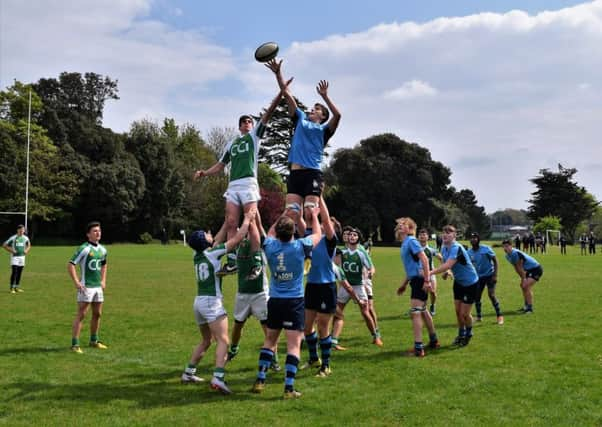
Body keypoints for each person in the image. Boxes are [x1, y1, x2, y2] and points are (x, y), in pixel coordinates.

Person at [193, 81, 290, 275]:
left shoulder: (255, 137)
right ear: (239, 126)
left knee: (252, 222)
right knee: (230, 222)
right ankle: (231, 261)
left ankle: (256, 262)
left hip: (248, 184)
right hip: (233, 186)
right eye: (244, 122)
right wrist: (204, 172)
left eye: (249, 121)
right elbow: (221, 165)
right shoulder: (231, 144)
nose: (247, 123)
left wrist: (281, 94)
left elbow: (268, 114)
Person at [180, 208, 256, 394]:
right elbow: (236, 239)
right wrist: (246, 220)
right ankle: (218, 377)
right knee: (224, 340)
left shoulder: (197, 255)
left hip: (199, 302)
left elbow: (217, 239)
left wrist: (227, 222)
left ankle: (189, 372)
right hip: (211, 302)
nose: (210, 234)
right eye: (206, 234)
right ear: (204, 241)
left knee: (207, 340)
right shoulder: (212, 254)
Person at [251, 205, 322, 399]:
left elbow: (271, 231)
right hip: (294, 302)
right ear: (293, 232)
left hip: (274, 301)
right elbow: (317, 233)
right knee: (293, 346)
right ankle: (288, 388)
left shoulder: (271, 246)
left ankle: (260, 379)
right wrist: (314, 216)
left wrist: (284, 213)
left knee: (269, 341)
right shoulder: (301, 246)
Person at [267, 59, 341, 222]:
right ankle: (300, 245)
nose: (312, 109)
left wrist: (325, 97)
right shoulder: (300, 118)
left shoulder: (324, 130)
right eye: (313, 108)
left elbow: (338, 115)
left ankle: (316, 242)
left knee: (309, 213)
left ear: (322, 117)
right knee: (292, 214)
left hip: (312, 174)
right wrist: (278, 73)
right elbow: (286, 93)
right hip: (295, 174)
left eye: (317, 109)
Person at [226, 213, 280, 371]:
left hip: (260, 294)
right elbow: (232, 230)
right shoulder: (238, 246)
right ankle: (234, 349)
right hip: (242, 293)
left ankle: (274, 359)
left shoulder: (261, 246)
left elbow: (259, 227)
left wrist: (253, 214)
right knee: (237, 325)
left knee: (268, 329)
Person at [301, 196, 338, 377]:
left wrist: (320, 197)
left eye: (327, 223)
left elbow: (325, 218)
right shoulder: (309, 237)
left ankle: (326, 366)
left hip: (326, 287)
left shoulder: (330, 240)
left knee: (323, 326)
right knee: (307, 327)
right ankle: (314, 358)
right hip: (311, 287)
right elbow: (302, 220)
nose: (324, 224)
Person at [395, 219, 440, 357]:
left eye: (404, 225)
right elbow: (412, 268)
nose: (400, 226)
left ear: (410, 229)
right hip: (415, 279)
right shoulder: (405, 243)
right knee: (423, 311)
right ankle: (434, 341)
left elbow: (425, 260)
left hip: (420, 280)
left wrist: (427, 280)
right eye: (399, 225)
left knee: (415, 313)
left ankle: (418, 348)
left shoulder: (411, 241)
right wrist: (404, 284)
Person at [332, 227, 383, 348]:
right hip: (345, 287)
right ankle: (333, 340)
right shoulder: (342, 252)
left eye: (355, 235)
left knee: (365, 313)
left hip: (358, 287)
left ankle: (376, 336)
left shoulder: (361, 253)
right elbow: (335, 265)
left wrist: (371, 272)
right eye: (350, 235)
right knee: (337, 312)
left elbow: (371, 267)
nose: (352, 237)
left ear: (358, 238)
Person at [431, 225, 480, 346]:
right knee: (458, 312)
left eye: (449, 232)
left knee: (464, 314)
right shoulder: (443, 247)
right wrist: (447, 272)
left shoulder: (456, 247)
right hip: (458, 283)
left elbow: (448, 264)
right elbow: (446, 264)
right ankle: (461, 334)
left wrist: (430, 272)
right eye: (444, 232)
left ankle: (469, 333)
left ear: (454, 235)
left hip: (470, 283)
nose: (445, 234)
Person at [68, 221, 108, 354]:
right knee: (82, 314)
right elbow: (71, 264)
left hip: (98, 287)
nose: (98, 233)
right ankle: (75, 344)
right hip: (86, 287)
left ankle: (94, 341)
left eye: (99, 231)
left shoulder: (103, 250)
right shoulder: (84, 248)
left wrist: (103, 280)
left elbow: (104, 265)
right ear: (88, 234)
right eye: (95, 231)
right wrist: (76, 282)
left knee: (97, 314)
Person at [467, 232, 504, 325]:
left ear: (478, 239)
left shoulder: (486, 249)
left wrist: (495, 275)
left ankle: (499, 316)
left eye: (475, 238)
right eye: (472, 238)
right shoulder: (469, 252)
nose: (473, 239)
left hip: (489, 275)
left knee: (491, 295)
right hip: (478, 277)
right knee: (477, 297)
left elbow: (495, 261)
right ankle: (479, 317)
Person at [502, 239, 543, 314]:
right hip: (527, 270)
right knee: (523, 286)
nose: (505, 248)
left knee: (526, 286)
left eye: (507, 246)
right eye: (504, 246)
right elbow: (516, 268)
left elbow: (520, 267)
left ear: (511, 246)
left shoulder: (515, 253)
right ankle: (526, 306)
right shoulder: (507, 256)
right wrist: (522, 278)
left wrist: (524, 279)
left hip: (536, 269)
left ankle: (530, 308)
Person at [417, 228, 442, 316]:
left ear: (427, 237)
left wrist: (445, 268)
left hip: (431, 273)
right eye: (420, 235)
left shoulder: (431, 249)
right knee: (421, 293)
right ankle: (420, 308)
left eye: (424, 235)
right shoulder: (415, 249)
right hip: (419, 274)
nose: (422, 236)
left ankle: (432, 305)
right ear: (418, 237)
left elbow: (440, 258)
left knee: (433, 292)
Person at [3, 224, 31, 293]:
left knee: (19, 272)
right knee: (14, 272)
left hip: (22, 257)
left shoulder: (26, 238)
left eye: (23, 230)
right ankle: (12, 288)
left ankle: (17, 287)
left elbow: (29, 245)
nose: (22, 231)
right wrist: (12, 251)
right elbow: (4, 245)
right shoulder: (13, 237)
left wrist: (26, 250)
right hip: (15, 257)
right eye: (20, 230)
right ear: (17, 230)